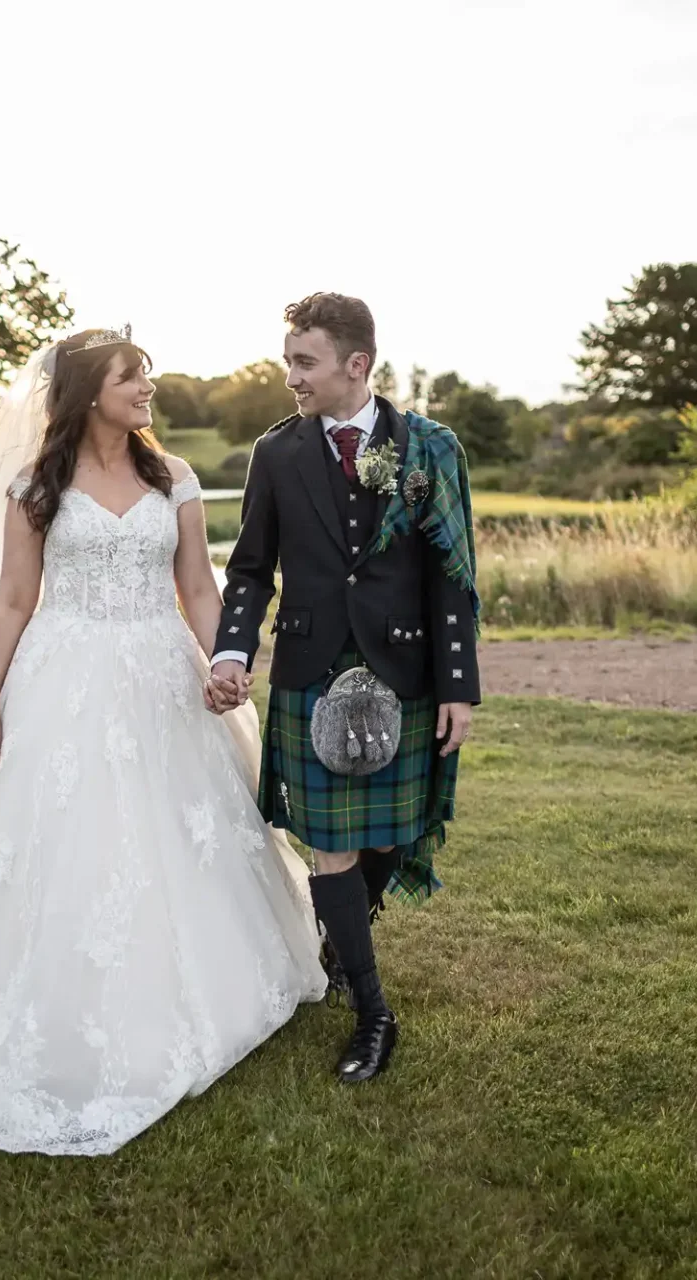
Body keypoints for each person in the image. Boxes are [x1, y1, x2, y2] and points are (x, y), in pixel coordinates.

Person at [0, 327, 326, 1157]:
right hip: (63, 678)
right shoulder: (35, 486)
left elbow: (199, 587)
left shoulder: (175, 478)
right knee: (75, 834)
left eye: (148, 375)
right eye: (133, 376)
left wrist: (228, 660)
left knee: (181, 829)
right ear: (90, 390)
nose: (148, 388)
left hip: (162, 673)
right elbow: (15, 601)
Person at [208, 293, 480, 1085]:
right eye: (289, 359)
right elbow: (252, 568)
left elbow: (454, 573)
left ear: (355, 365)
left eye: (304, 362)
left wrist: (459, 686)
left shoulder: (430, 447)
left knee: (388, 838)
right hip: (311, 666)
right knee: (332, 845)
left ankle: (343, 929)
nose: (289, 375)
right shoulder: (279, 452)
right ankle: (372, 1010)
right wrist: (232, 651)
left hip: (409, 672)